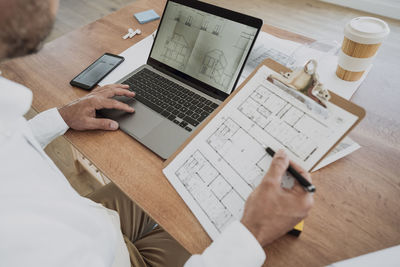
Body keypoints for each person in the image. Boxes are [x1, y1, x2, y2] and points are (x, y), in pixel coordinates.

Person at [0, 1, 314, 266]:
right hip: (114, 256)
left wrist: (61, 116)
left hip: (86, 218)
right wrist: (252, 234)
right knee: (212, 225)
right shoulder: (24, 244)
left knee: (167, 185)